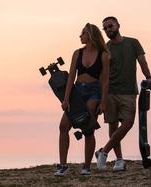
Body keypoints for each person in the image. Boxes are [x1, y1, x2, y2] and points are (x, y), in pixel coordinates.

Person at [94, 16, 151, 171]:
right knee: (113, 125)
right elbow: (102, 73)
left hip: (128, 92)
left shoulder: (133, 43)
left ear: (118, 25)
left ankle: (104, 151)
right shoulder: (105, 48)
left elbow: (143, 62)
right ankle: (119, 160)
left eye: (110, 26)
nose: (108, 30)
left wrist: (149, 78)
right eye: (105, 28)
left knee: (128, 123)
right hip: (110, 92)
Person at [54, 23, 110, 176]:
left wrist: (103, 102)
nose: (80, 36)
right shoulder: (77, 53)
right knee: (63, 126)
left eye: (83, 33)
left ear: (90, 35)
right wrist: (65, 99)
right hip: (77, 91)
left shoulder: (103, 55)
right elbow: (71, 77)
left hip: (94, 92)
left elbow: (105, 81)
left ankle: (86, 166)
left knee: (88, 128)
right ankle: (63, 166)